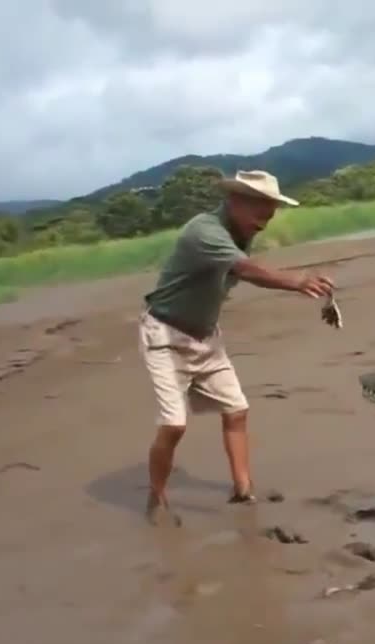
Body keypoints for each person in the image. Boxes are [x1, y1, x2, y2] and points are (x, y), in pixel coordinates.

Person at [137, 169, 334, 525]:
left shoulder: (241, 230)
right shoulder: (205, 231)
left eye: (271, 211)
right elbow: (245, 270)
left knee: (236, 410)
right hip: (165, 336)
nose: (266, 220)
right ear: (236, 201)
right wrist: (298, 281)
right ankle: (157, 498)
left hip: (206, 336)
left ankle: (243, 490)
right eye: (261, 210)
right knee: (174, 424)